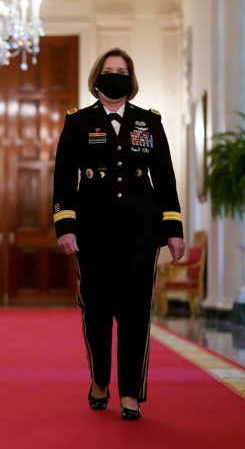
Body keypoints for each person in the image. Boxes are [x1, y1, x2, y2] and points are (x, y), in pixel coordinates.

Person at [52, 47, 185, 421]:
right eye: (109, 70)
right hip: (93, 234)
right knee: (96, 312)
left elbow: (166, 180)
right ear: (97, 77)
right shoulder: (78, 123)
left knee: (135, 314)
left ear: (131, 79)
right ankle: (99, 379)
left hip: (141, 233)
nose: (115, 75)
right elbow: (64, 181)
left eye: (121, 70)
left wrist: (173, 230)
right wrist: (65, 226)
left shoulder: (149, 123)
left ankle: (130, 392)